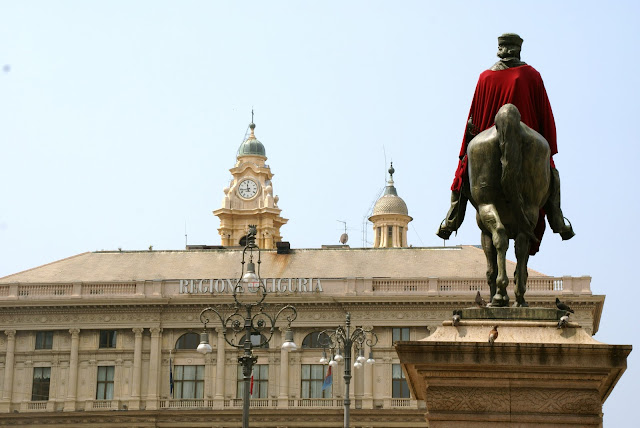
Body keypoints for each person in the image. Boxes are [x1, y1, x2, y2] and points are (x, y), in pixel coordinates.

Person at [436, 33, 574, 254]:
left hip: (488, 139)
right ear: (518, 50)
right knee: (551, 173)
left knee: (463, 174)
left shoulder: (485, 77)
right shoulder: (532, 75)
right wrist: (546, 148)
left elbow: (474, 120)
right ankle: (558, 220)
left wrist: (468, 148)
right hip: (527, 143)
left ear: (499, 50)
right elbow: (544, 117)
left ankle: (452, 220)